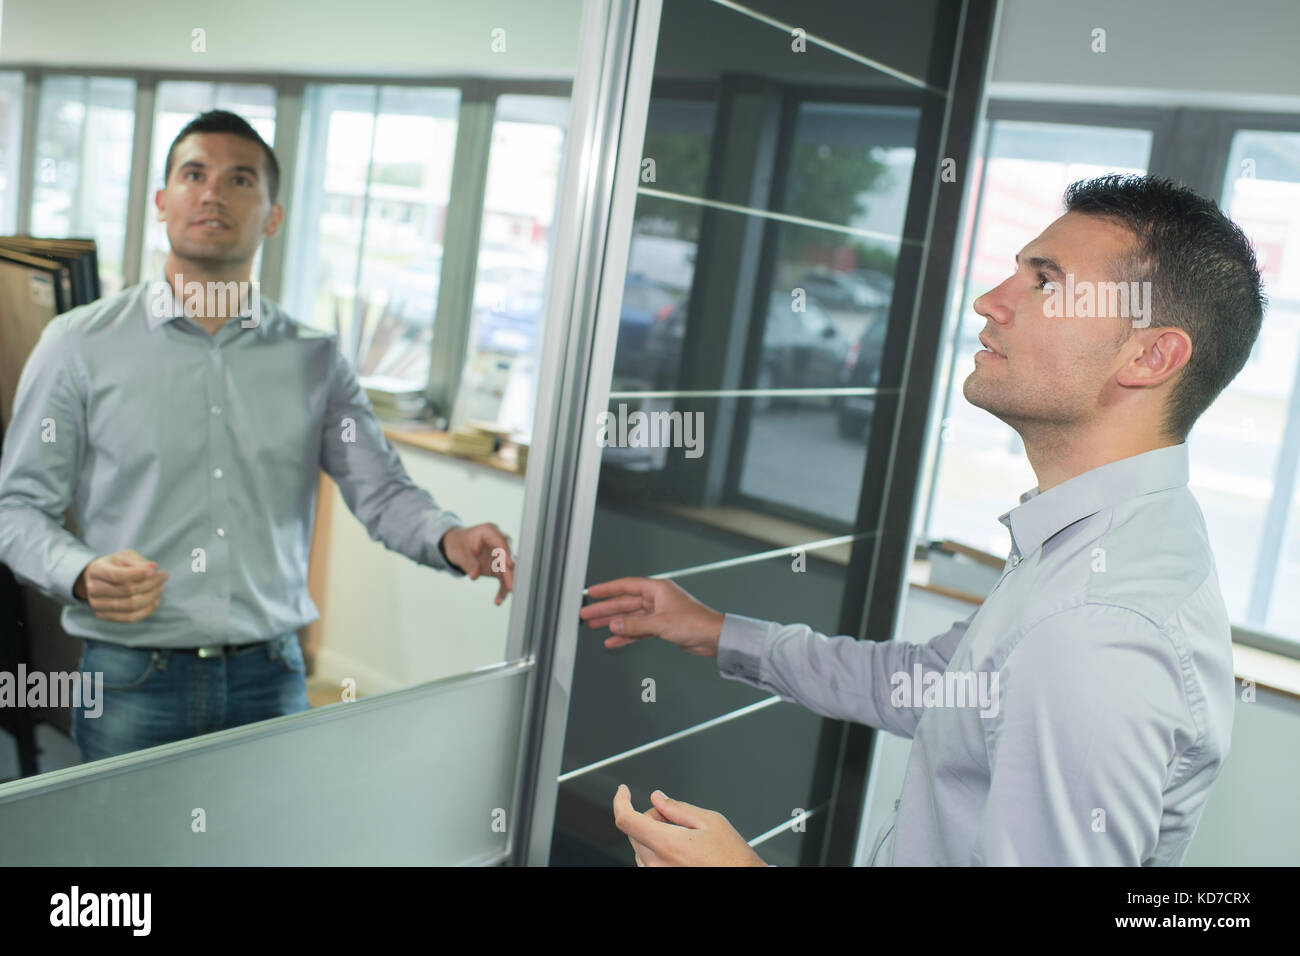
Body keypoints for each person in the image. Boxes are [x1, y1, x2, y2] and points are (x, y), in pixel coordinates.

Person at [581, 173, 1264, 866]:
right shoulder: (1104, 543)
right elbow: (934, 688)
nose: (990, 302)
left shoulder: (1093, 628)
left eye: (1045, 283)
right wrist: (717, 633)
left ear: (1150, 357)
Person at [0, 110, 515, 763]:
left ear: (272, 216)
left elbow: (383, 492)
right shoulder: (77, 345)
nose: (213, 191)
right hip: (130, 677)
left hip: (270, 679)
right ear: (162, 202)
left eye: (240, 179)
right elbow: (15, 509)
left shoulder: (314, 358)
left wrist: (450, 537)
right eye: (194, 173)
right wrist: (79, 572)